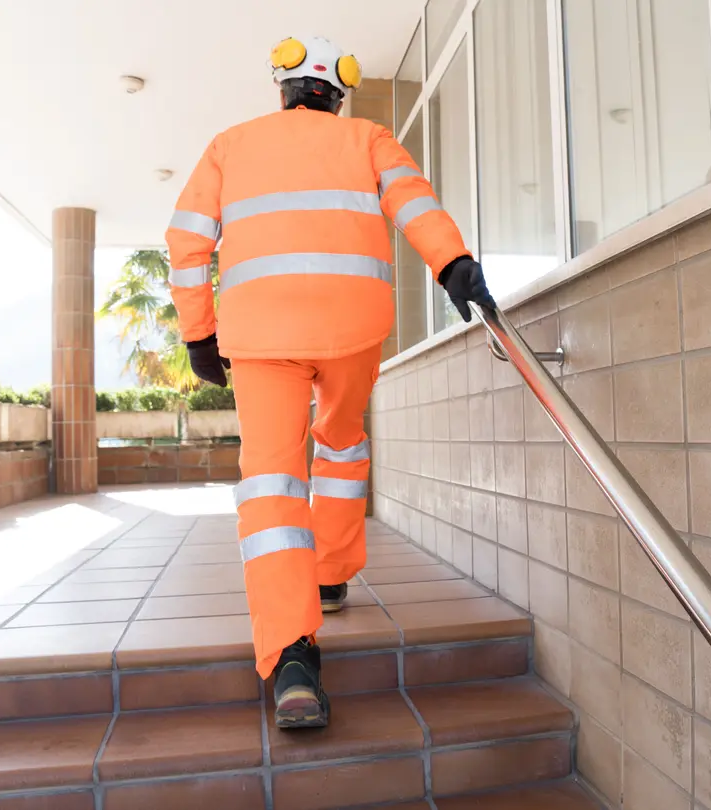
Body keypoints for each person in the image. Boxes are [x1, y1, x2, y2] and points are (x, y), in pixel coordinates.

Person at [164, 34, 494, 730]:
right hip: (353, 330)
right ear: (337, 96)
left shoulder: (232, 144)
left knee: (274, 481)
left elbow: (188, 238)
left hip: (260, 339)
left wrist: (198, 332)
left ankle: (291, 655)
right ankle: (333, 570)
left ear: (281, 89)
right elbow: (415, 205)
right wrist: (453, 264)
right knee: (341, 446)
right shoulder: (370, 139)